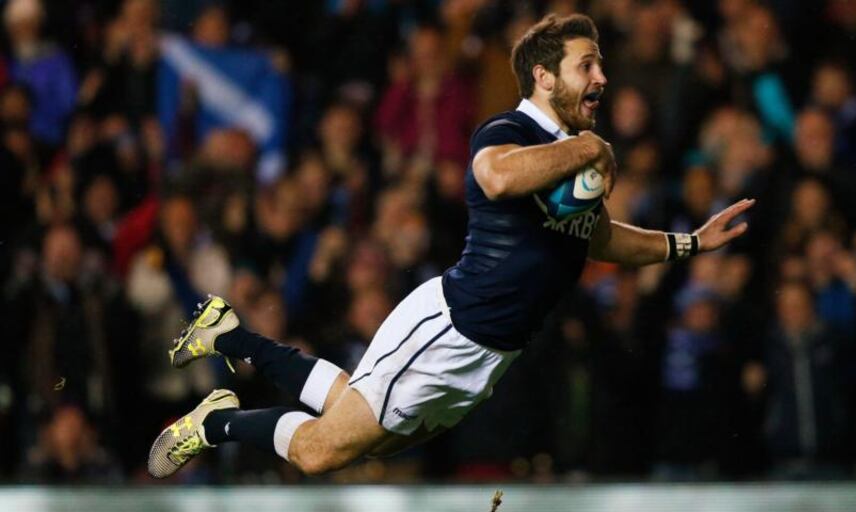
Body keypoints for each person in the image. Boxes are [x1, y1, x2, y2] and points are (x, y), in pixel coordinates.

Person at [146, 13, 755, 479]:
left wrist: (689, 243)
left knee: (351, 419)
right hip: (451, 329)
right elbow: (495, 177)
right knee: (320, 451)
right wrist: (590, 149)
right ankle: (216, 422)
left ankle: (228, 335)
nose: (601, 78)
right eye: (587, 65)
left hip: (487, 357)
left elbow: (596, 236)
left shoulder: (567, 157)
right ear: (544, 77)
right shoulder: (511, 130)